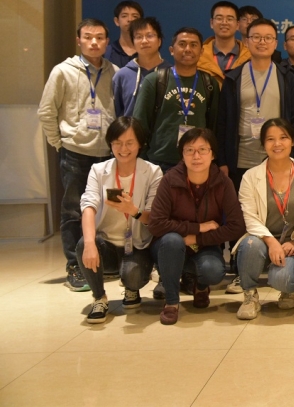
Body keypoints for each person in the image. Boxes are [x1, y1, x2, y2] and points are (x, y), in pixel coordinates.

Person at [39, 18, 117, 291]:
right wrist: (59, 143)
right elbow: (46, 111)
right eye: (88, 37)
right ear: (79, 40)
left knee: (106, 210)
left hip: (108, 154)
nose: (94, 42)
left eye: (99, 37)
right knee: (74, 209)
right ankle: (75, 265)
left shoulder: (115, 72)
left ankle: (102, 261)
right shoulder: (63, 71)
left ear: (107, 41)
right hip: (75, 152)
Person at [148, 128, 245, 325]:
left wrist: (197, 238)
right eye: (190, 150)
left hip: (204, 245)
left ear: (213, 154)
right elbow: (155, 223)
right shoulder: (170, 180)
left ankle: (200, 286)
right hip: (171, 246)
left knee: (213, 271)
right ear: (182, 155)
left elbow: (237, 226)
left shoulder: (223, 182)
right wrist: (197, 228)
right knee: (172, 240)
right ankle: (171, 302)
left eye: (202, 149)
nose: (196, 156)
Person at [76, 117, 163, 323]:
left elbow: (153, 218)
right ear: (110, 144)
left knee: (133, 276)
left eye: (129, 143)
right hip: (107, 243)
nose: (123, 149)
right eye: (117, 143)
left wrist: (132, 210)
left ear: (140, 143)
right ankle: (99, 298)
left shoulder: (153, 172)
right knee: (83, 245)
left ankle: (132, 289)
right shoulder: (98, 170)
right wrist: (89, 243)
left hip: (137, 245)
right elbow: (88, 206)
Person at [216, 18, 294, 189]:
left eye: (268, 38)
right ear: (246, 41)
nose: (262, 42)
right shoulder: (233, 78)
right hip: (241, 160)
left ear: (275, 43)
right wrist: (222, 161)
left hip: (278, 157)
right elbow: (222, 122)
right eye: (256, 37)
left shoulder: (287, 78)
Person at [233, 118, 294, 319]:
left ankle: (288, 290)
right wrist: (271, 242)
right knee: (249, 245)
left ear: (292, 141)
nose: (277, 144)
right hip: (262, 239)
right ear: (263, 144)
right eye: (270, 139)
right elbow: (250, 217)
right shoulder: (250, 176)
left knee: (282, 279)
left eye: (283, 137)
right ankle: (250, 296)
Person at [133, 27, 219, 173]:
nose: (188, 49)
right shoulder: (154, 81)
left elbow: (214, 125)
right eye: (182, 44)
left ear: (202, 51)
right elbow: (139, 125)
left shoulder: (209, 84)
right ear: (172, 50)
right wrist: (142, 159)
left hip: (197, 162)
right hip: (159, 162)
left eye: (193, 45)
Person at [112, 17, 170, 117]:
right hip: (131, 127)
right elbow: (116, 112)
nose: (144, 41)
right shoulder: (122, 75)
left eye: (149, 36)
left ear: (159, 41)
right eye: (138, 37)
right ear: (133, 43)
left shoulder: (171, 73)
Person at [197, 1, 251, 85]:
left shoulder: (250, 56)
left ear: (237, 25)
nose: (224, 22)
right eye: (219, 18)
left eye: (229, 19)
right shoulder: (198, 55)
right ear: (211, 23)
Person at [104, 0, 143, 68]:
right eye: (124, 16)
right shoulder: (107, 52)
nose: (130, 19)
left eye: (135, 16)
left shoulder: (147, 51)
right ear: (117, 21)